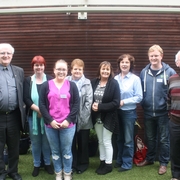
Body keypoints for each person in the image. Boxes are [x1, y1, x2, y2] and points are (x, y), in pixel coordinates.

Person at [137, 44, 176, 175]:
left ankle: (164, 163)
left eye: (156, 55)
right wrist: (143, 103)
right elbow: (141, 90)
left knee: (164, 139)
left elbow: (174, 91)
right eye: (151, 56)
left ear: (161, 56)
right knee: (150, 137)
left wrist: (170, 108)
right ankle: (150, 159)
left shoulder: (169, 72)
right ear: (149, 57)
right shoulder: (144, 72)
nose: (154, 58)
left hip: (163, 113)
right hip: (148, 111)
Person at [39, 59, 79, 180]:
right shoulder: (46, 85)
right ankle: (58, 173)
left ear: (67, 71)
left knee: (66, 151)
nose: (61, 72)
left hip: (68, 125)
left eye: (64, 69)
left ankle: (67, 173)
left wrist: (68, 119)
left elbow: (76, 104)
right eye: (59, 69)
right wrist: (50, 120)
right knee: (55, 151)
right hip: (51, 125)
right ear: (54, 70)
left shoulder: (72, 85)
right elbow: (42, 105)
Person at [23, 55, 54, 177]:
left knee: (46, 141)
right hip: (33, 116)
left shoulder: (50, 79)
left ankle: (47, 163)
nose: (39, 67)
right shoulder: (28, 81)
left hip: (47, 116)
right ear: (33, 67)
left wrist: (44, 112)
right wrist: (38, 109)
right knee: (35, 142)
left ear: (44, 66)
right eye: (36, 65)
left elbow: (53, 98)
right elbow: (26, 98)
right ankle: (36, 164)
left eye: (41, 65)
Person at [0, 43, 25, 180]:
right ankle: (1, 173)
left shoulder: (18, 71)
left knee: (14, 146)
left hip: (15, 115)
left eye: (8, 53)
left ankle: (13, 171)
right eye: (2, 53)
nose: (5, 56)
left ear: (12, 55)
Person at [114, 54, 143, 171]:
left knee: (128, 139)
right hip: (117, 113)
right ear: (119, 64)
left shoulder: (135, 79)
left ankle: (127, 163)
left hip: (129, 113)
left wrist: (124, 101)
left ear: (130, 64)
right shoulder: (115, 78)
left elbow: (139, 97)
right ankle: (119, 160)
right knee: (119, 138)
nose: (124, 64)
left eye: (127, 62)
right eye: (122, 62)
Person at [91, 61, 120, 175]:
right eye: (103, 69)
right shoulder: (94, 82)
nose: (105, 71)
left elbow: (116, 103)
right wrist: (93, 105)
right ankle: (102, 162)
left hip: (109, 117)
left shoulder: (114, 83)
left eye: (107, 69)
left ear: (110, 71)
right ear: (99, 70)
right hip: (96, 117)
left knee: (107, 141)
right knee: (100, 141)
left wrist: (100, 106)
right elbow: (90, 97)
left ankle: (108, 165)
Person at [66, 58, 93, 174]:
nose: (77, 71)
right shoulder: (66, 81)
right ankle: (73, 164)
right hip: (68, 119)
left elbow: (89, 102)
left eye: (80, 69)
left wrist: (83, 119)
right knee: (70, 143)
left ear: (83, 70)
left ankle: (83, 164)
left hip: (84, 119)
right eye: (75, 69)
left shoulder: (87, 82)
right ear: (71, 70)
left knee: (83, 143)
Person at [167, 51, 180, 180]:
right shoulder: (172, 79)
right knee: (175, 150)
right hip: (175, 121)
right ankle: (176, 175)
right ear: (177, 63)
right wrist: (170, 115)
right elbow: (168, 99)